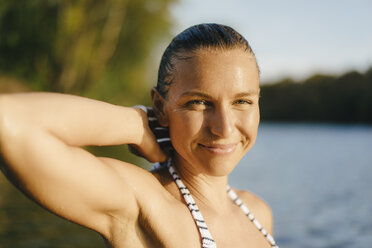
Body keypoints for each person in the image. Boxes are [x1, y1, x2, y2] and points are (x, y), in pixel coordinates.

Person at [0, 23, 278, 248]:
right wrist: (137, 124)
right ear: (160, 106)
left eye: (242, 102)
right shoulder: (141, 203)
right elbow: (9, 121)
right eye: (198, 102)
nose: (225, 128)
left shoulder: (258, 212)